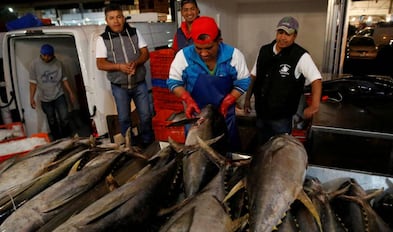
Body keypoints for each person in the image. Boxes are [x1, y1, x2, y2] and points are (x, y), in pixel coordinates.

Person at [167, 16, 251, 151]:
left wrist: (229, 100)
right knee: (196, 156)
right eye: (198, 48)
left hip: (224, 115)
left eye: (209, 47)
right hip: (197, 117)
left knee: (228, 154)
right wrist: (187, 99)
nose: (204, 53)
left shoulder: (234, 56)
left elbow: (243, 81)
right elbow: (174, 82)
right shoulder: (183, 56)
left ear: (219, 41)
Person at [244, 16, 322, 145]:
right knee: (262, 147)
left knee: (280, 150)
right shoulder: (264, 51)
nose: (283, 37)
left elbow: (316, 79)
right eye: (280, 32)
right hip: (261, 113)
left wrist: (314, 106)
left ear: (295, 36)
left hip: (282, 118)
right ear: (276, 32)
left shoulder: (300, 56)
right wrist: (247, 100)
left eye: (288, 34)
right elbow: (254, 76)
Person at [96, 3, 155, 148]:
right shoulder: (102, 39)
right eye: (111, 18)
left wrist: (136, 63)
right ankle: (130, 144)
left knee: (146, 115)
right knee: (123, 119)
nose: (116, 21)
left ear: (123, 18)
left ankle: (148, 141)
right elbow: (100, 64)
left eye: (118, 17)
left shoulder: (135, 32)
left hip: (139, 83)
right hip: (119, 86)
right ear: (106, 20)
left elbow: (145, 53)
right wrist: (119, 67)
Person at [29, 44, 76, 141]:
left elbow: (64, 79)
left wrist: (71, 92)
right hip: (45, 97)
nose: (46, 57)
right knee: (51, 119)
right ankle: (57, 139)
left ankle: (67, 136)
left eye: (49, 55)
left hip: (59, 94)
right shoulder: (34, 64)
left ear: (52, 55)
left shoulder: (58, 63)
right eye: (44, 55)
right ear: (41, 54)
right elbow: (33, 83)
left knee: (64, 117)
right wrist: (31, 98)